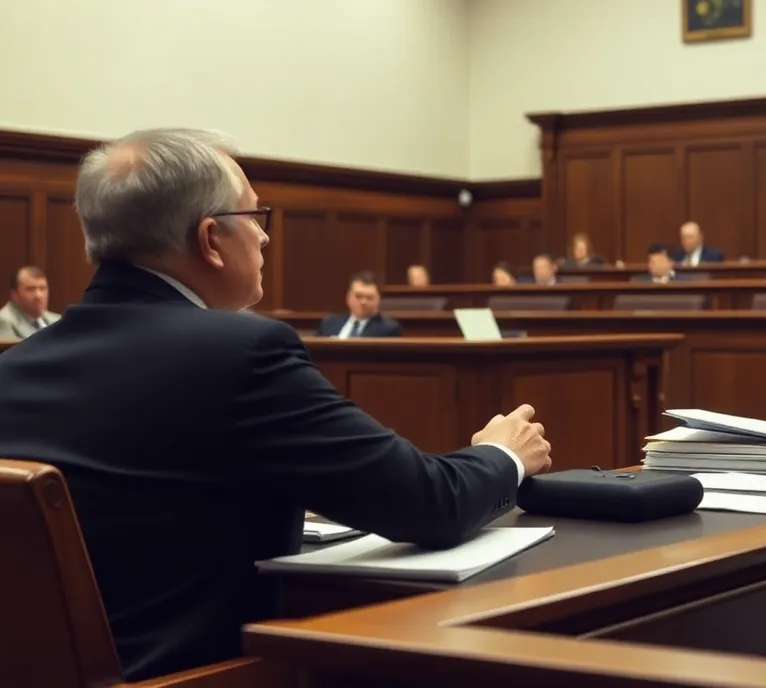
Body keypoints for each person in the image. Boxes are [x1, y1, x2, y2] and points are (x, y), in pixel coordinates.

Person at [0, 128, 551, 682]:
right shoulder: (242, 353)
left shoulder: (13, 368)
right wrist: (502, 455)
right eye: (256, 217)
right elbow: (427, 503)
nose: (264, 239)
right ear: (211, 239)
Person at [316, 270, 403, 338]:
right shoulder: (329, 323)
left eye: (369, 297)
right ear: (348, 296)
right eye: (358, 296)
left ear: (378, 300)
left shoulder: (388, 329)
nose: (363, 302)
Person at [0, 265, 60, 339]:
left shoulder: (58, 319)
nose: (38, 296)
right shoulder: (4, 321)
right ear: (14, 295)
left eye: (42, 288)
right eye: (30, 289)